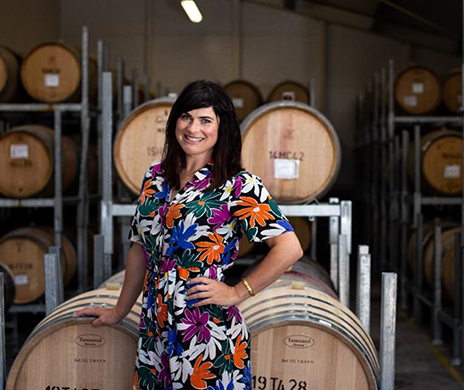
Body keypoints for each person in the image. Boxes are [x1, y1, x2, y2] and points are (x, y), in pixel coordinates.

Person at [76, 80, 303, 390]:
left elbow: (289, 248)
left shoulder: (237, 184)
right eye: (186, 117)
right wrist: (119, 311)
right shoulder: (155, 176)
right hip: (154, 328)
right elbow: (140, 249)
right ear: (174, 122)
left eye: (206, 120)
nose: (193, 127)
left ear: (222, 128)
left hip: (206, 329)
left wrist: (237, 292)